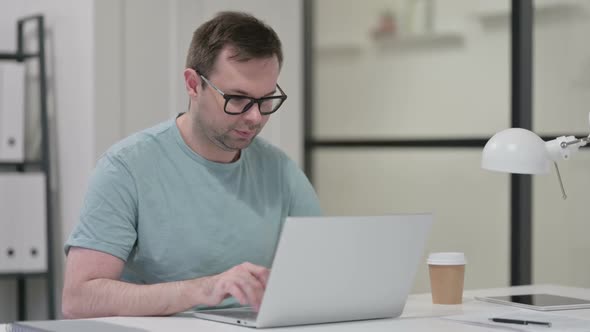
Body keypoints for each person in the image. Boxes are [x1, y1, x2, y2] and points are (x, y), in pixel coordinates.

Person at [61, 11, 321, 319]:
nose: (255, 117)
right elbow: (79, 299)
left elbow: (322, 273)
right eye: (238, 99)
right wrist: (204, 290)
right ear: (193, 84)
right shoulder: (126, 168)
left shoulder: (280, 171)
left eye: (266, 100)